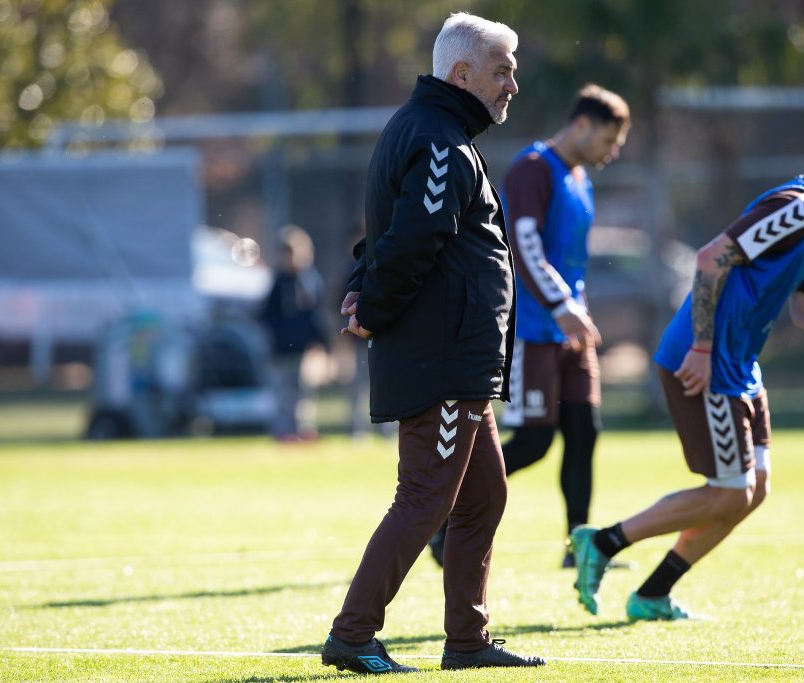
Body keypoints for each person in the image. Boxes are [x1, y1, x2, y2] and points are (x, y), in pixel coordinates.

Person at [569, 124, 804, 621]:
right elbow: (712, 258)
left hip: (739, 369)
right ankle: (603, 542)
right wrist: (703, 346)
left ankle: (651, 593)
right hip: (704, 362)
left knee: (752, 489)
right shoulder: (797, 210)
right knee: (729, 492)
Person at [321, 13, 544, 675]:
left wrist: (364, 286)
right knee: (425, 498)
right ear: (462, 74)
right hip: (441, 359)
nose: (513, 83)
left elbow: (384, 231)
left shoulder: (434, 132)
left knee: (482, 497)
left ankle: (467, 642)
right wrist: (373, 306)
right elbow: (414, 237)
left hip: (458, 361)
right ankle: (352, 633)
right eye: (502, 70)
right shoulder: (439, 140)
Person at [427, 85, 631, 569]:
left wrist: (573, 307)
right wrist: (561, 303)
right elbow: (524, 246)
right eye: (610, 138)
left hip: (570, 327)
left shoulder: (581, 179)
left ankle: (578, 548)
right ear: (582, 125)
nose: (614, 151)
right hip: (534, 329)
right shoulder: (533, 169)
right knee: (535, 442)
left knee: (585, 431)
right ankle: (442, 523)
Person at [259, 225, 327, 442]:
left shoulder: (310, 281)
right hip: (281, 348)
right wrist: (278, 336)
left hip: (302, 347)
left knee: (303, 392)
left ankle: (302, 429)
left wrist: (322, 343)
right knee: (284, 392)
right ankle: (283, 431)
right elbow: (267, 315)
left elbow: (316, 315)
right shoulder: (279, 282)